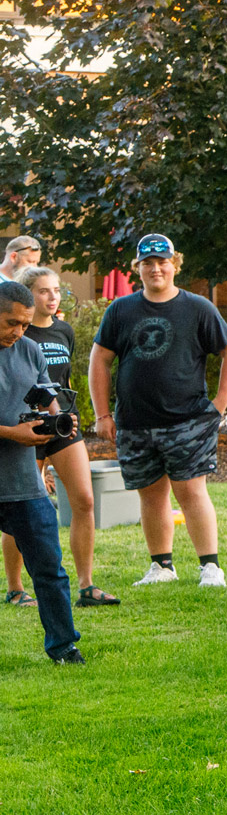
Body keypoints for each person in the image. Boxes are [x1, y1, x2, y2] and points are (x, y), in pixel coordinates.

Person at [89, 234, 227, 590]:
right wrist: (102, 414)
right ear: (137, 269)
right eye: (147, 263)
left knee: (191, 492)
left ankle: (210, 567)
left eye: (162, 261)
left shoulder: (198, 308)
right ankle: (161, 566)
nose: (155, 268)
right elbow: (100, 359)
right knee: (151, 494)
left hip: (187, 420)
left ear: (175, 264)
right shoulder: (120, 310)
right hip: (135, 422)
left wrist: (219, 405)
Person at [4, 268, 115, 606]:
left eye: (56, 290)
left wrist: (61, 414)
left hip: (57, 424)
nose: (52, 297)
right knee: (19, 510)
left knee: (84, 499)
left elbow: (55, 385)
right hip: (20, 428)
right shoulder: (18, 342)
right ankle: (16, 587)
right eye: (43, 291)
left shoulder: (63, 330)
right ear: (25, 296)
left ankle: (86, 584)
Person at [0, 280, 81, 661]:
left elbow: (46, 393)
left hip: (22, 484)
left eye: (24, 324)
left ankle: (64, 647)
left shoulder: (30, 350)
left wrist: (58, 418)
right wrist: (11, 433)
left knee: (50, 570)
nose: (18, 332)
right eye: (10, 323)